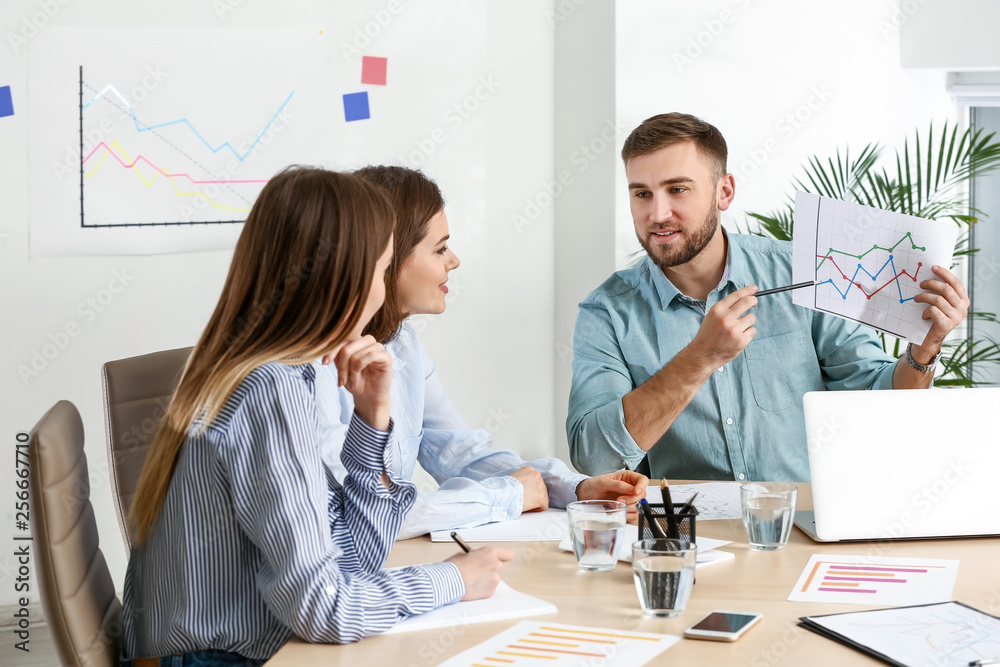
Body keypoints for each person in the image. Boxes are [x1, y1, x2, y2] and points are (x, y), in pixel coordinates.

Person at [123, 167, 513, 666]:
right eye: (383, 268)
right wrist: (456, 578)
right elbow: (326, 608)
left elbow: (353, 562)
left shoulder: (290, 374)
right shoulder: (269, 392)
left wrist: (371, 423)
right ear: (344, 277)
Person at [567, 113, 970, 481]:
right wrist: (700, 358)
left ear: (724, 192)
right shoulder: (608, 311)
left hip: (804, 527)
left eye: (677, 189)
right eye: (642, 194)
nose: (657, 213)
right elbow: (594, 457)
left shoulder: (804, 275)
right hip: (690, 537)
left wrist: (926, 347)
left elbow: (878, 402)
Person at [314, 165, 648, 540]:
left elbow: (461, 454)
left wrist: (575, 490)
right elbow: (357, 511)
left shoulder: (402, 343)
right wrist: (506, 495)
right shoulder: (308, 367)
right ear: (385, 259)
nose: (453, 260)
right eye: (440, 248)